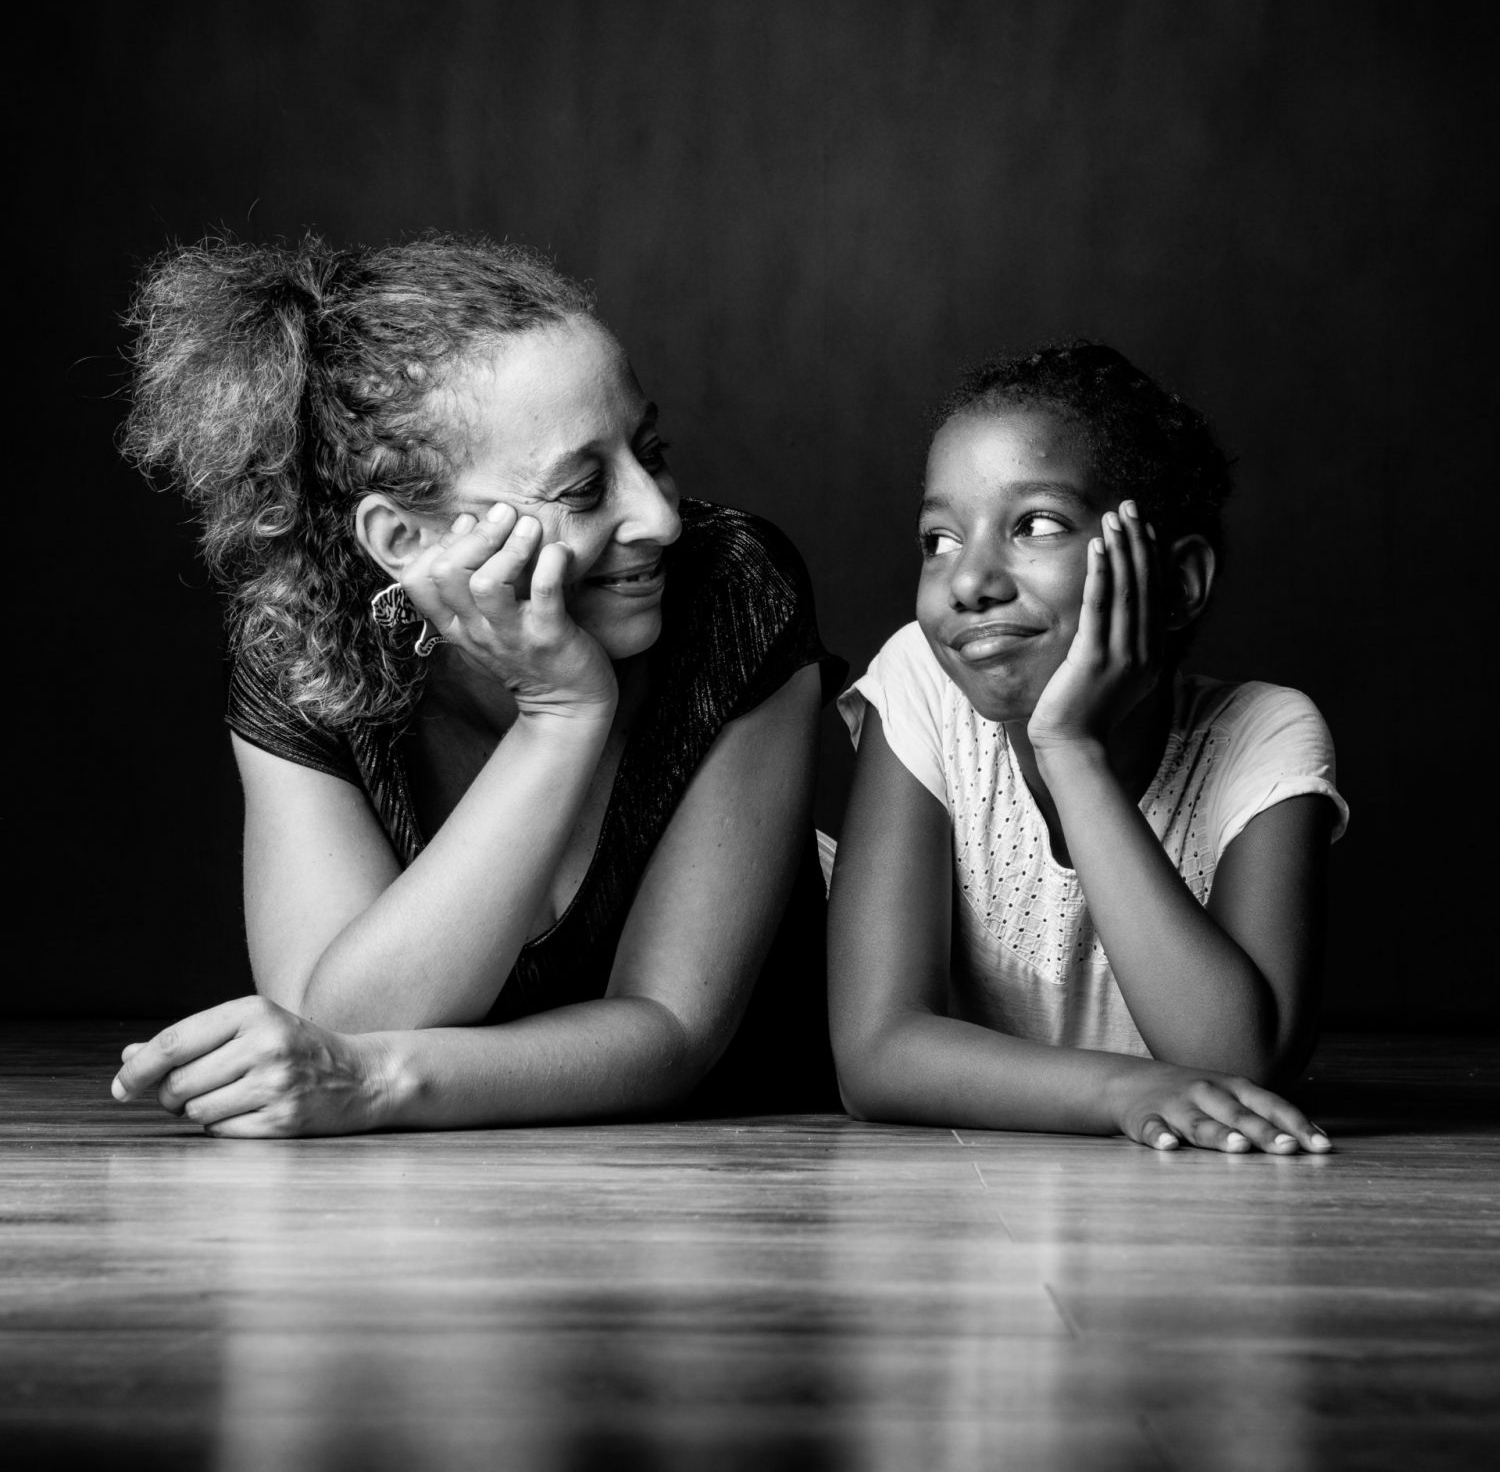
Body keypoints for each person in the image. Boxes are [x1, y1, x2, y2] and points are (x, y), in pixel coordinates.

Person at [112, 233, 842, 1136]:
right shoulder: (298, 655)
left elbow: (673, 1032)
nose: (657, 517)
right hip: (432, 1203)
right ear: (406, 543)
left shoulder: (734, 587)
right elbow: (335, 1019)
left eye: (649, 451)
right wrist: (558, 724)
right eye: (582, 490)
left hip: (756, 1166)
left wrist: (563, 708)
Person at [828, 343, 1346, 1153]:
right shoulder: (921, 684)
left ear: (1176, 584)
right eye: (940, 539)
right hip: (953, 1204)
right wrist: (1124, 1090)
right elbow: (876, 1054)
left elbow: (1238, 1063)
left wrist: (1071, 748)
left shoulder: (1263, 735)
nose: (970, 581)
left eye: (1035, 524)